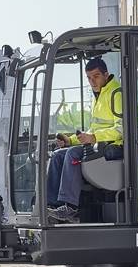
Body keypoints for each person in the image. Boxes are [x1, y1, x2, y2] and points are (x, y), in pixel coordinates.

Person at [47, 58, 123, 223]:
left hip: (114, 146)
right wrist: (70, 140)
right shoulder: (98, 95)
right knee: (59, 154)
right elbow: (93, 129)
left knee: (73, 154)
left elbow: (121, 129)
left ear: (106, 74)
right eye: (89, 77)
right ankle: (53, 206)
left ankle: (70, 207)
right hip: (99, 143)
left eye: (96, 76)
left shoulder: (116, 93)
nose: (92, 81)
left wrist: (94, 138)